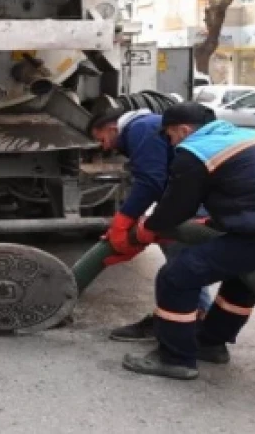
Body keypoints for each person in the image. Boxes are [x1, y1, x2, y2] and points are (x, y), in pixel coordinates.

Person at [110, 102, 255, 381]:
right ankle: (210, 344)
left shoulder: (193, 151)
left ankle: (174, 358)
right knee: (242, 278)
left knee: (177, 275)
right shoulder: (249, 137)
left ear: (182, 130)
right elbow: (252, 186)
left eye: (169, 136)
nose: (170, 143)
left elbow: (177, 207)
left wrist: (146, 229)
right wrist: (211, 224)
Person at [89, 104, 213, 342]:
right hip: (189, 203)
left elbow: (150, 181)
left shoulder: (140, 129)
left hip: (193, 205)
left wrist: (123, 221)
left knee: (180, 269)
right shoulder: (147, 126)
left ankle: (183, 330)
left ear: (113, 127)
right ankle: (197, 324)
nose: (104, 147)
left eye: (102, 139)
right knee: (184, 265)